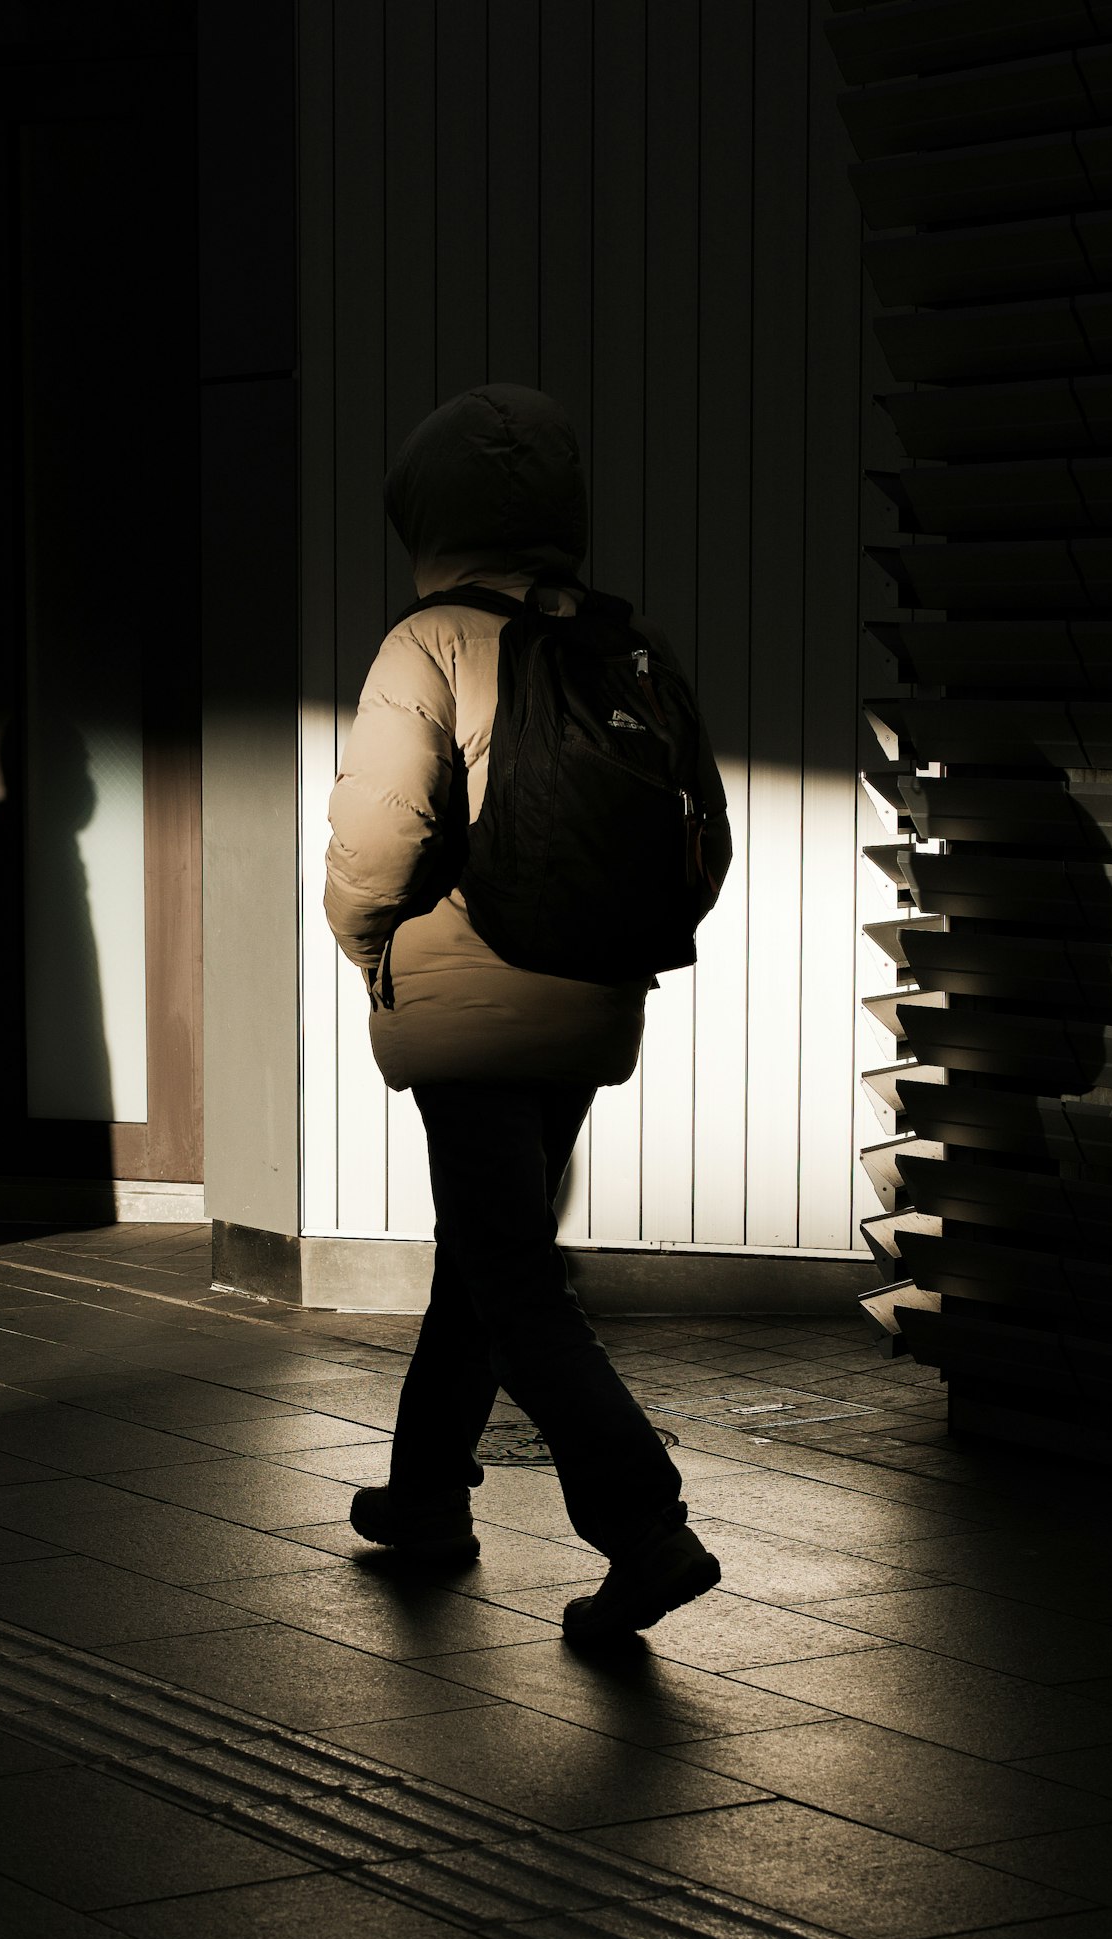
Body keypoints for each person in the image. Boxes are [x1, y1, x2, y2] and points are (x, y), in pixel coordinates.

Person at [324, 383, 733, 1641]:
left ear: (427, 510)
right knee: (489, 1255)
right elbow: (703, 841)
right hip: (592, 1000)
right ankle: (426, 1495)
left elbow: (378, 839)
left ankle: (644, 1528)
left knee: (509, 1273)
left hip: (466, 999)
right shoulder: (624, 644)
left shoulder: (431, 642)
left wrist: (368, 941)